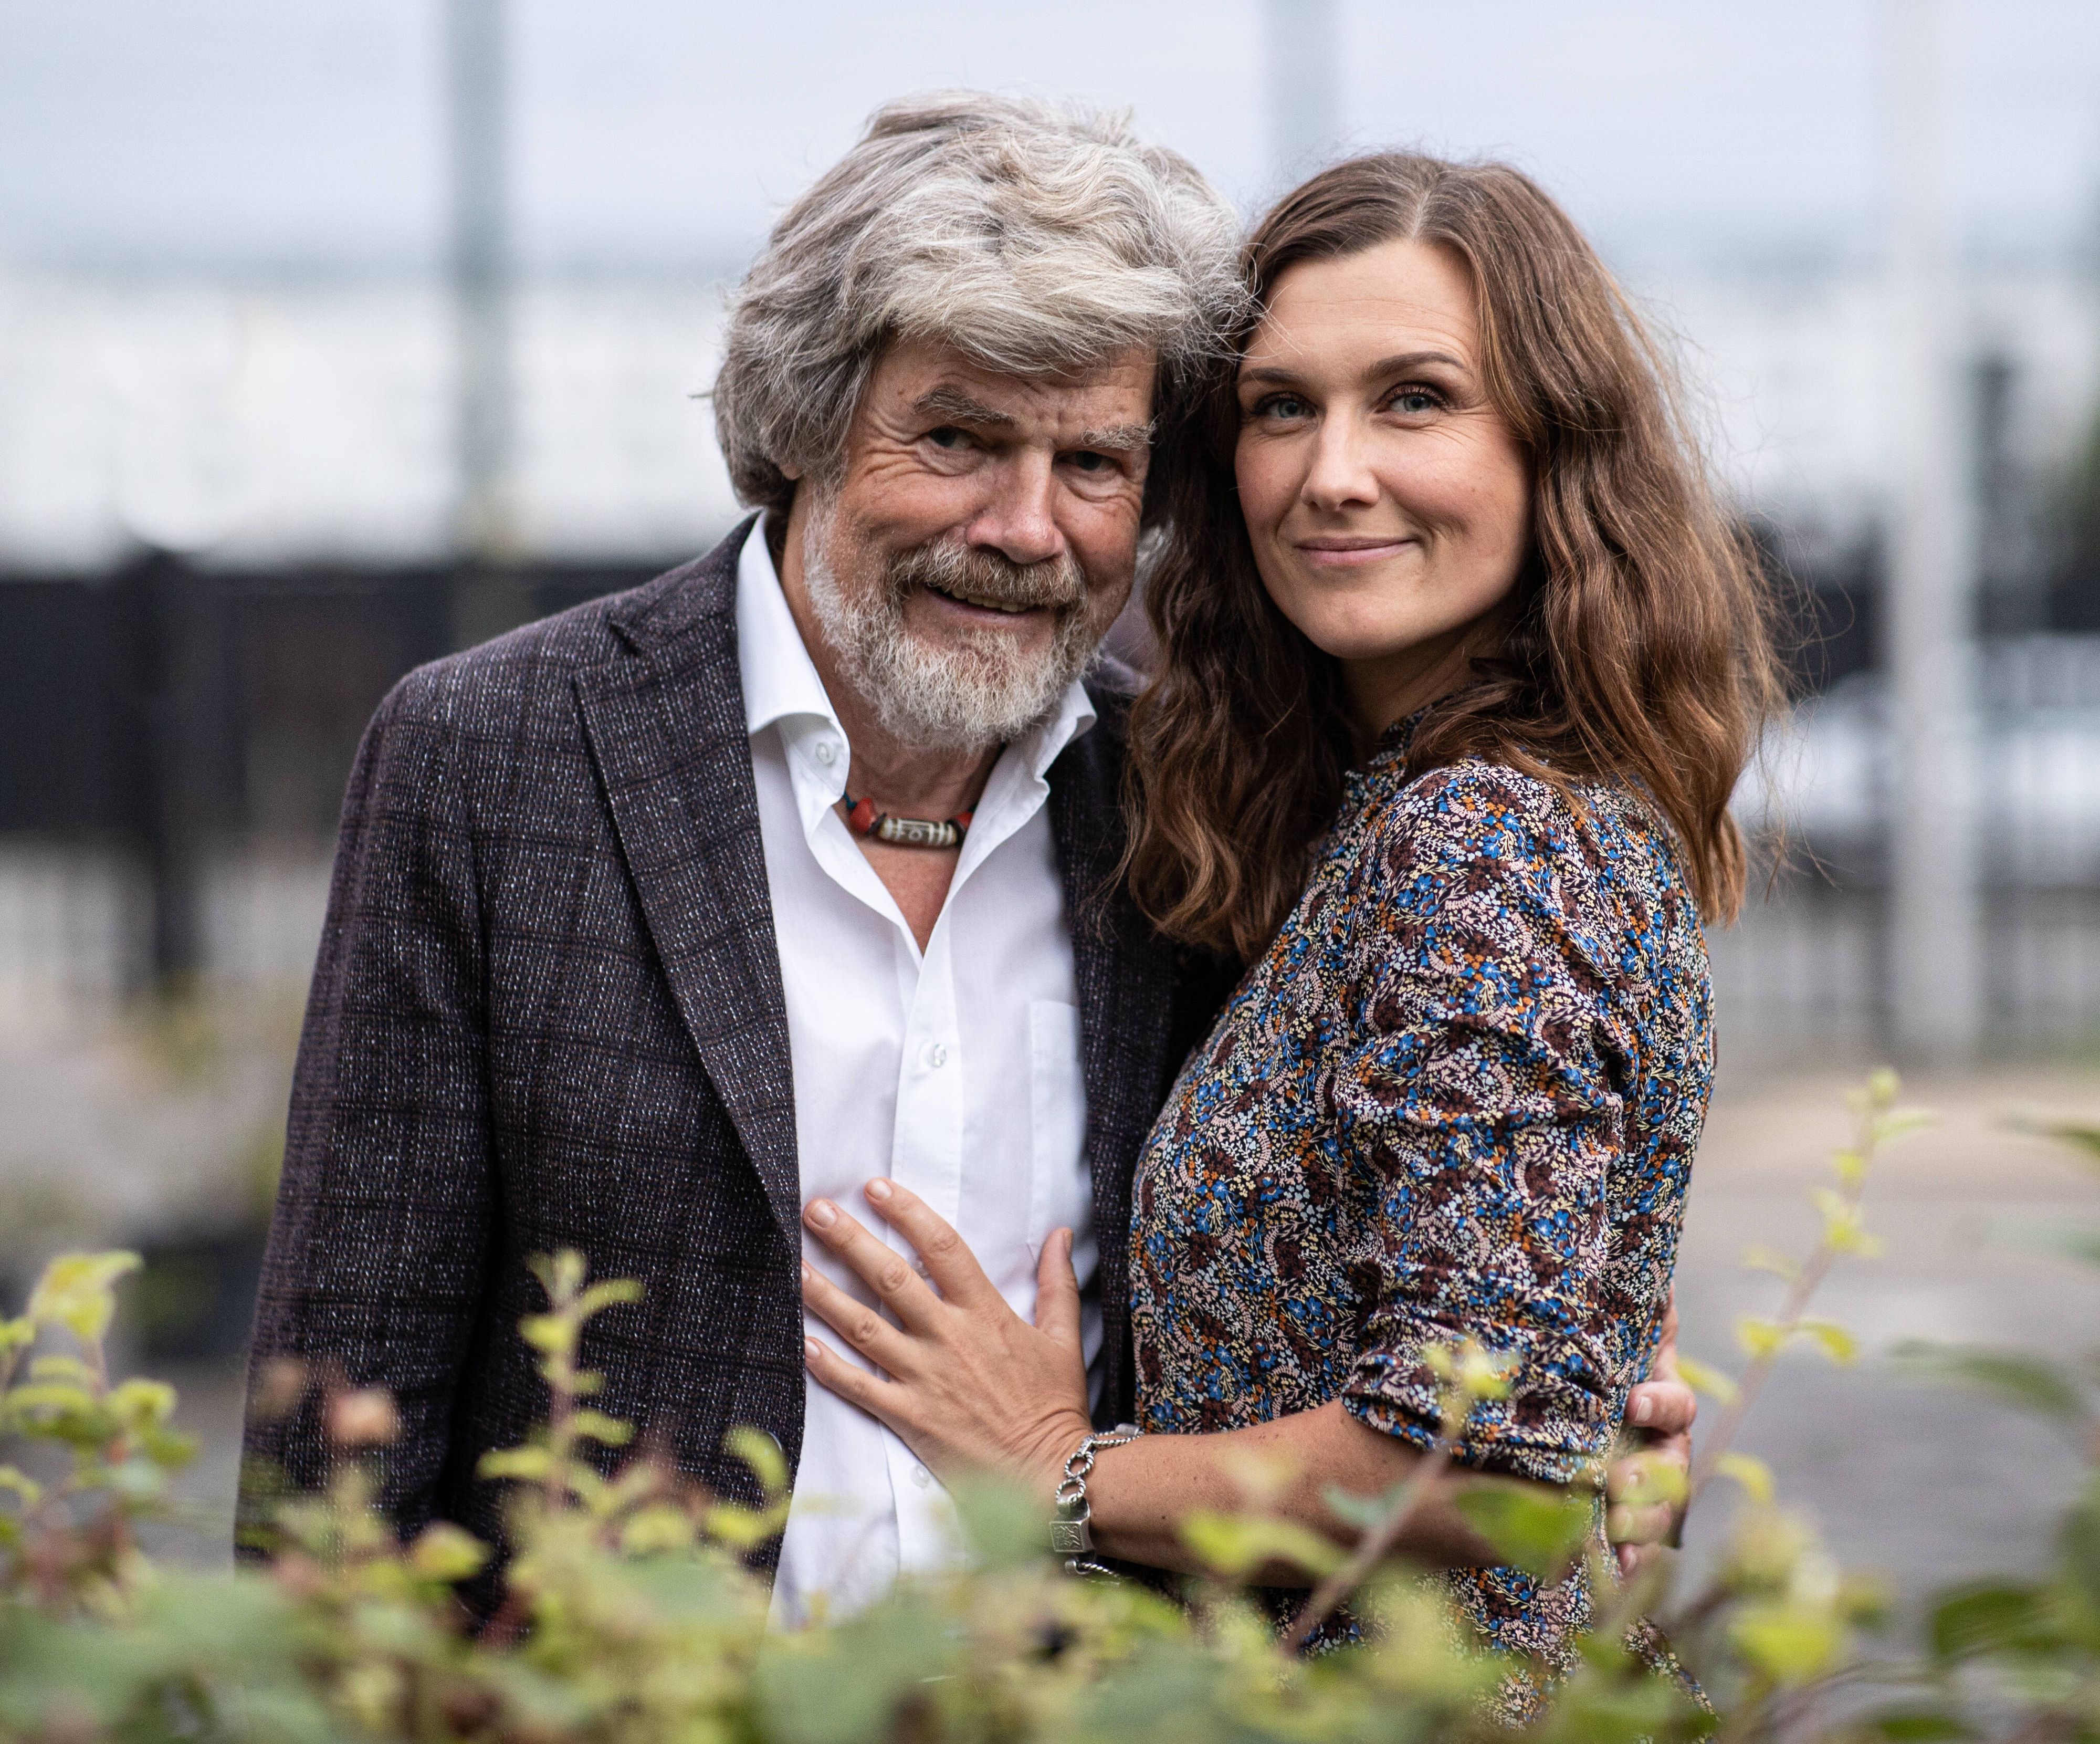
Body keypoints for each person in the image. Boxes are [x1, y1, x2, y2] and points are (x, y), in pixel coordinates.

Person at [242, 100, 1695, 1624]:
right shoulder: (498, 755)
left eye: (1095, 460)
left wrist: (1589, 1409)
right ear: (804, 420)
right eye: (956, 439)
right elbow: (340, 1408)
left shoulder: (1192, 801)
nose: (1025, 527)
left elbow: (1432, 1303)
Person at [792, 149, 1777, 1684]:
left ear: (1554, 450)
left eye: (1416, 400)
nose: (1332, 472)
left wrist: (1056, 1466)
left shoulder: (1485, 841)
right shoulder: (1377, 816)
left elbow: (1486, 1463)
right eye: (1280, 407)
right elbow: (1542, 1402)